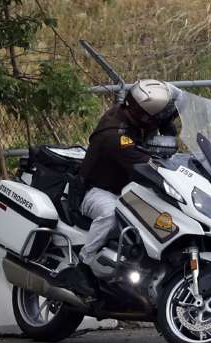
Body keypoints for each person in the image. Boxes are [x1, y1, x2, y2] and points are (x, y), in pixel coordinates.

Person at [69, 79, 179, 293]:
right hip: (95, 191)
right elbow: (145, 163)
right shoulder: (117, 136)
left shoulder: (133, 117)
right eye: (159, 115)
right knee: (111, 213)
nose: (162, 118)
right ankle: (83, 264)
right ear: (145, 115)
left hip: (126, 189)